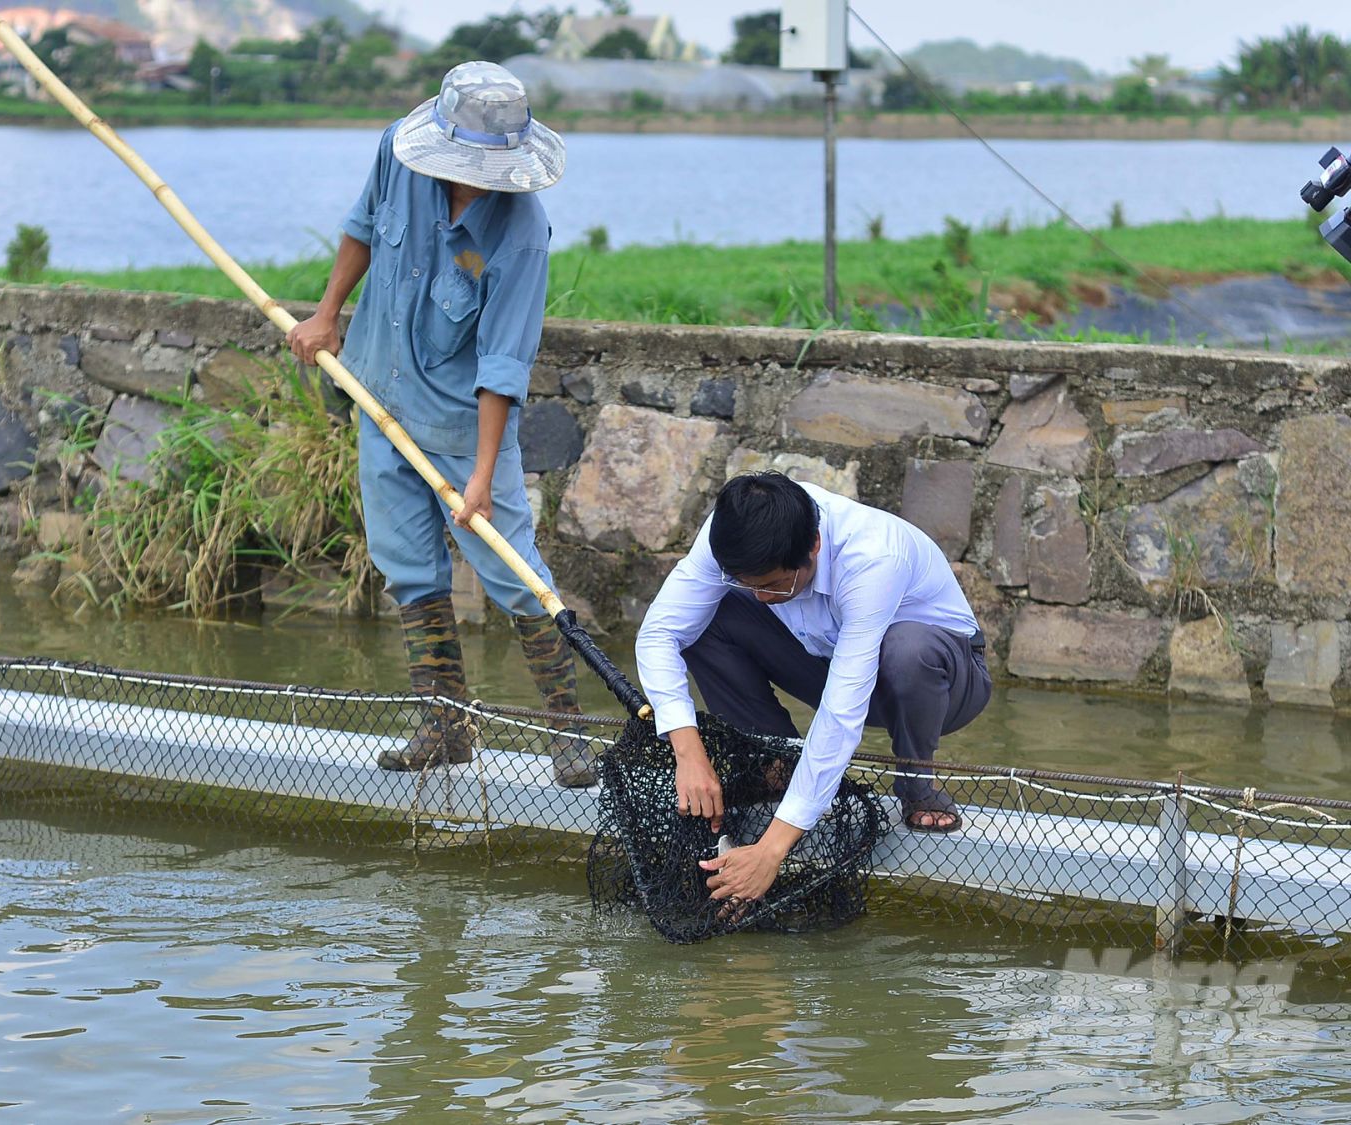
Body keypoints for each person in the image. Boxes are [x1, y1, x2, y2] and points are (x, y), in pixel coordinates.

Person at [287, 61, 594, 788]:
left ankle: (570, 736)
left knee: (514, 573)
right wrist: (328, 314)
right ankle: (445, 728)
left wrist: (485, 477)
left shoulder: (516, 233)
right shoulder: (399, 152)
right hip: (379, 391)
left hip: (463, 425)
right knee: (407, 566)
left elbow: (502, 362)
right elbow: (362, 229)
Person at [634, 472, 992, 904]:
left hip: (943, 681)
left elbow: (841, 715)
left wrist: (772, 850)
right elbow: (659, 634)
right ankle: (773, 763)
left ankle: (916, 782)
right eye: (749, 584)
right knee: (706, 619)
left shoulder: (874, 557)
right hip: (823, 658)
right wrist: (688, 752)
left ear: (814, 548)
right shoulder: (730, 531)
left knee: (906, 649)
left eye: (772, 584)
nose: (760, 597)